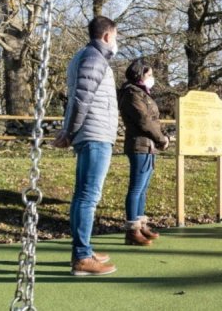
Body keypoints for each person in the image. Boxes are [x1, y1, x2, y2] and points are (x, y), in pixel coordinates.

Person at [52, 16, 119, 276]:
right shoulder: (94, 58)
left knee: (83, 195)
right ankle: (81, 256)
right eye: (116, 35)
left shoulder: (87, 56)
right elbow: (81, 99)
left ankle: (84, 249)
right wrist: (69, 131)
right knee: (88, 196)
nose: (116, 41)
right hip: (94, 134)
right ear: (106, 36)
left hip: (92, 133)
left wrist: (70, 130)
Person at [117, 58, 169, 246]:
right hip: (139, 144)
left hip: (148, 145)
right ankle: (132, 230)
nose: (152, 78)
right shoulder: (132, 93)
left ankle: (141, 224)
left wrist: (159, 139)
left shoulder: (141, 93)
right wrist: (161, 138)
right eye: (149, 74)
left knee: (143, 188)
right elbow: (144, 120)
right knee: (136, 188)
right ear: (140, 75)